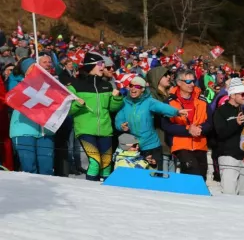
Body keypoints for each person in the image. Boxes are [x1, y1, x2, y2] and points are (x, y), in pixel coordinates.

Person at [68, 52, 123, 181]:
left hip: (105, 130)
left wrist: (117, 98)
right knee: (95, 161)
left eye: (103, 64)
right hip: (85, 130)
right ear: (90, 66)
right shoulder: (75, 86)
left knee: (106, 163)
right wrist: (78, 105)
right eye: (100, 64)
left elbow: (112, 108)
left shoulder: (107, 85)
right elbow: (68, 110)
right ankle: (91, 191)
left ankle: (106, 194)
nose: (103, 67)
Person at [115, 76, 186, 170]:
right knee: (136, 176)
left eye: (137, 87)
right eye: (131, 85)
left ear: (143, 90)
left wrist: (176, 112)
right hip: (133, 146)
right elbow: (119, 119)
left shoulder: (149, 101)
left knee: (153, 174)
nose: (133, 88)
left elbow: (162, 107)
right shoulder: (125, 102)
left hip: (151, 145)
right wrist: (121, 126)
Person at [213, 78, 244, 195]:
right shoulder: (221, 111)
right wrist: (235, 123)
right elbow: (220, 133)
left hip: (243, 159)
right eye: (242, 94)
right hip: (228, 156)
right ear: (233, 95)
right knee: (229, 194)